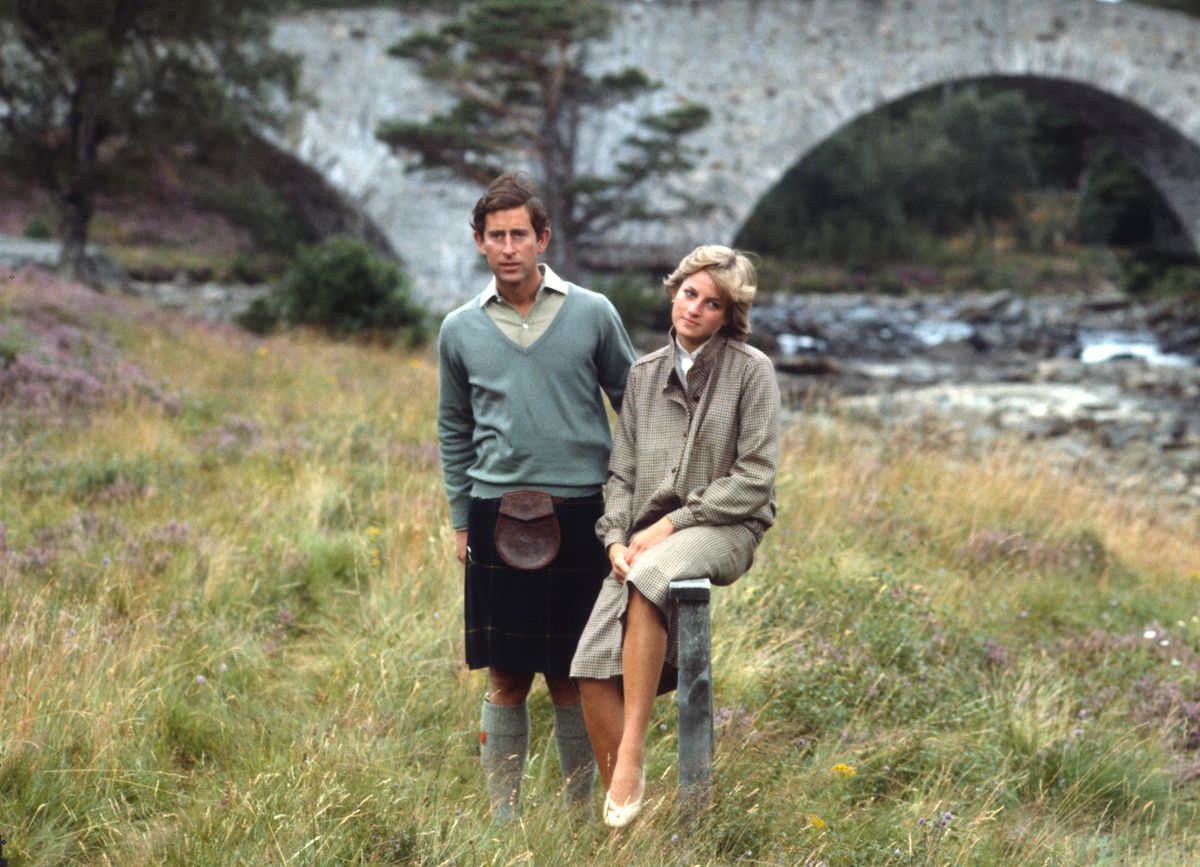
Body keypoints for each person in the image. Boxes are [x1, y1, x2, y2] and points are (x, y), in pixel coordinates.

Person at [437, 172, 636, 821]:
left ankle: (579, 813)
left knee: (576, 676)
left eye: (520, 233)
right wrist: (461, 518)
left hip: (584, 512)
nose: (509, 246)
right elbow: (454, 425)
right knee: (506, 675)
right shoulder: (459, 329)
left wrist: (633, 508)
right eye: (496, 235)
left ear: (542, 237)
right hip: (497, 512)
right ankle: (504, 816)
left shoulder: (593, 313)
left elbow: (633, 405)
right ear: (479, 242)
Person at [570, 245, 780, 828]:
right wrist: (614, 537)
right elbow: (623, 473)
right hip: (642, 540)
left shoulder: (752, 372)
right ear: (674, 291)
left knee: (651, 574)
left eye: (713, 304)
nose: (696, 310)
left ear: (727, 316)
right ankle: (629, 823)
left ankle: (632, 754)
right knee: (587, 665)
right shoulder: (642, 377)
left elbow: (756, 478)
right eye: (691, 294)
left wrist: (668, 524)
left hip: (727, 525)